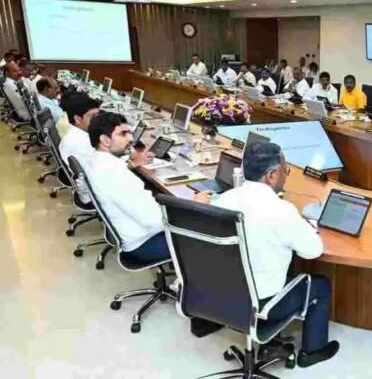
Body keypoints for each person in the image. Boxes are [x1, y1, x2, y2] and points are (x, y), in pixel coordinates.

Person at [213, 141, 340, 368]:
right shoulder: (282, 210)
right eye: (285, 170)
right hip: (261, 304)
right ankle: (313, 351)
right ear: (271, 175)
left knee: (276, 260)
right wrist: (306, 227)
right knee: (320, 285)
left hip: (220, 294)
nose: (286, 175)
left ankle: (272, 340)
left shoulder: (224, 199)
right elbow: (313, 251)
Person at [85, 112, 206, 263]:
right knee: (214, 226)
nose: (131, 138)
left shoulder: (98, 161)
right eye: (123, 134)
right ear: (105, 140)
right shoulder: (115, 174)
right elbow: (156, 221)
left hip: (136, 233)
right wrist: (193, 205)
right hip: (147, 244)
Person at [58, 92, 102, 165]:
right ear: (77, 119)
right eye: (93, 117)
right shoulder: (85, 143)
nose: (98, 120)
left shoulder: (70, 131)